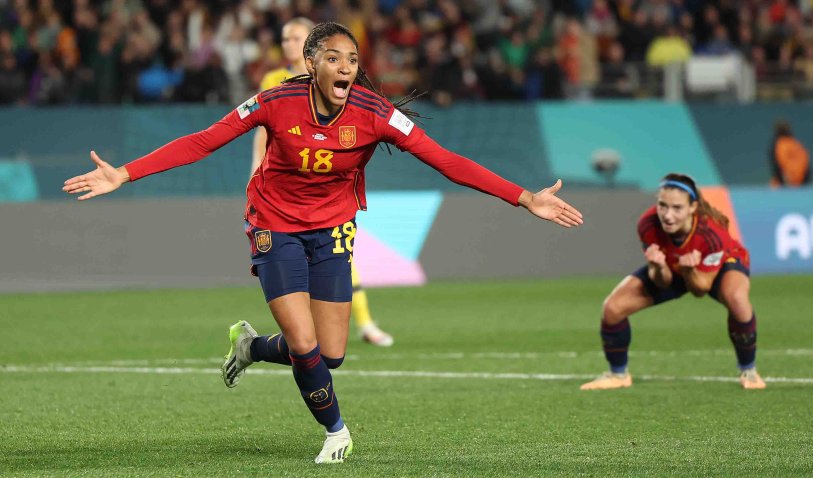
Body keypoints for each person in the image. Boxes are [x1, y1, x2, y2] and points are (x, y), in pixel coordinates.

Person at [63, 22, 584, 465]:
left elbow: (447, 160)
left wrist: (523, 198)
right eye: (333, 58)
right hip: (274, 226)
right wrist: (125, 174)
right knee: (305, 342)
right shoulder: (274, 101)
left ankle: (250, 346)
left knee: (329, 354)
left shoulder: (375, 113)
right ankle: (337, 431)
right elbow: (203, 140)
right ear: (311, 62)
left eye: (353, 60)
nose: (346, 67)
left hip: (332, 230)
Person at [254, 17, 393, 347]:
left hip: (330, 191)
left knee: (339, 257)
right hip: (284, 195)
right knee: (305, 336)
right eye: (285, 38)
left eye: (296, 37)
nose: (288, 43)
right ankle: (300, 338)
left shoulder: (346, 91)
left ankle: (364, 322)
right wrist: (256, 169)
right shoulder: (274, 81)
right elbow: (263, 130)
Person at [580, 173, 765, 391]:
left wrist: (689, 271)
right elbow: (662, 283)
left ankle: (749, 370)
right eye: (662, 205)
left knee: (737, 299)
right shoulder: (648, 224)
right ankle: (618, 374)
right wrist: (658, 267)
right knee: (612, 308)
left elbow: (700, 289)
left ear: (692, 207)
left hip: (720, 265)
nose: (667, 215)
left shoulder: (712, 234)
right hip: (675, 267)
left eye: (677, 208)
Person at [769, 119, 811, 188]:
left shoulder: (779, 144)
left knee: (773, 186)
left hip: (789, 182)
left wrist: (786, 182)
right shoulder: (796, 144)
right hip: (802, 181)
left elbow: (779, 166)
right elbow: (807, 166)